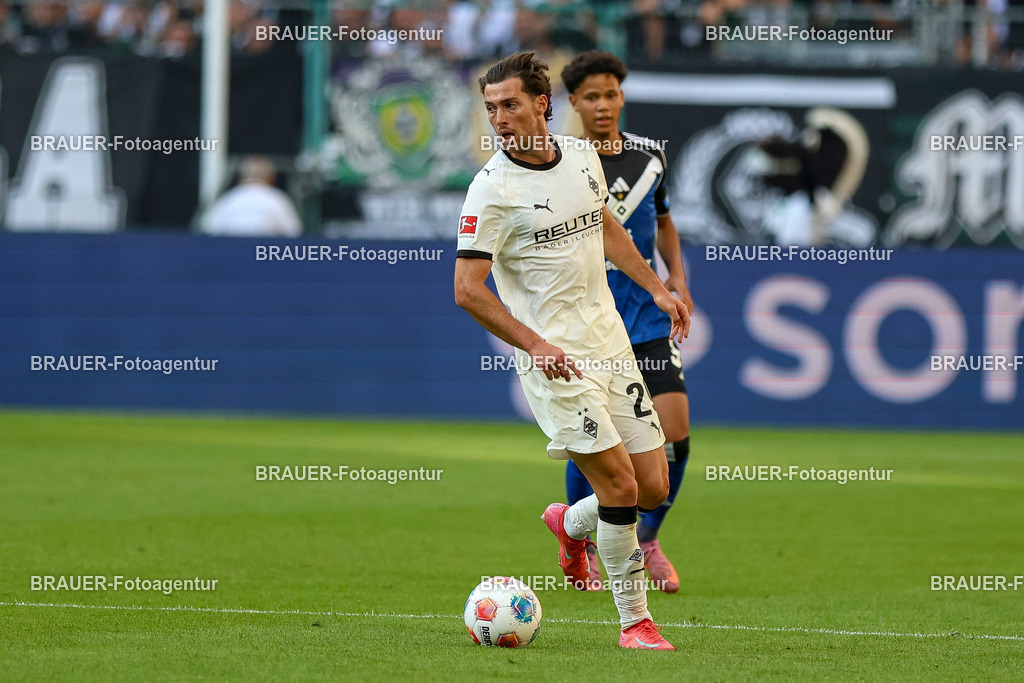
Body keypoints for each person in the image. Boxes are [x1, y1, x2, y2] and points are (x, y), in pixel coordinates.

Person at [453, 51, 690, 650]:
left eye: (509, 105)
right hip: (556, 362)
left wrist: (658, 289)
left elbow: (607, 229)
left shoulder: (584, 158)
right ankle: (635, 623)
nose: (500, 119)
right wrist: (534, 344)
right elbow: (466, 290)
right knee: (618, 490)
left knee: (654, 487)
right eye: (491, 109)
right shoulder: (491, 190)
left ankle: (568, 521)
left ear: (542, 104)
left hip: (612, 343)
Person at [560, 50, 692, 595]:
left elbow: (663, 221)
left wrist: (677, 280)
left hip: (645, 321)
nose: (603, 105)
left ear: (622, 96)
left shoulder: (650, 156)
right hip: (591, 323)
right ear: (572, 103)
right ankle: (580, 541)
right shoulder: (562, 162)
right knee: (593, 439)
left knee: (675, 435)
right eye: (591, 96)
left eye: (611, 94)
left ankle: (649, 537)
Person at [200, 156, 302, 237]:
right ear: (271, 178)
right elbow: (294, 232)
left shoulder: (228, 199)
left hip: (232, 258)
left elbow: (207, 229)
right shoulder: (277, 199)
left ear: (241, 177)